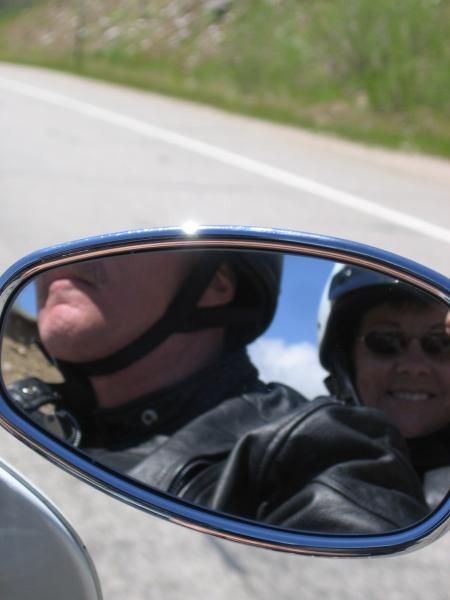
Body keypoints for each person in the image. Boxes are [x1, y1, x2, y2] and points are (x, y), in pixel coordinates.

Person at [8, 250, 428, 533]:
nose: (71, 257)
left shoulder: (317, 449)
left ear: (216, 284)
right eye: (385, 342)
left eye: (121, 240)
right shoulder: (27, 409)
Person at [318, 263, 450, 510]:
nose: (414, 367)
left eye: (442, 343)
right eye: (386, 341)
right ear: (346, 359)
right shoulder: (297, 465)